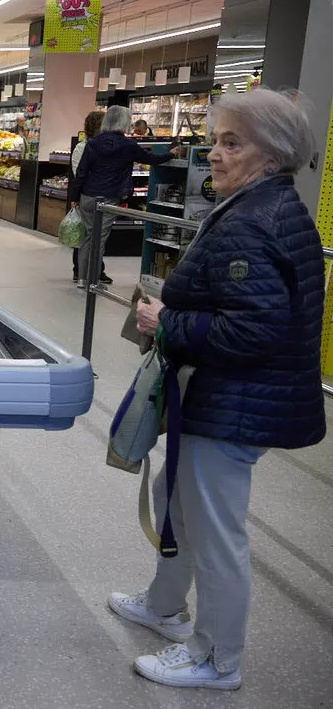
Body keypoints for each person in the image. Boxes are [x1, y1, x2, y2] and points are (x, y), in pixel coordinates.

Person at [113, 88, 326, 691]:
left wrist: (168, 322)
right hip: (228, 395)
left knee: (214, 529)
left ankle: (216, 659)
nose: (216, 154)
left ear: (271, 155)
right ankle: (163, 605)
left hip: (232, 401)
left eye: (232, 143)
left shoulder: (250, 225)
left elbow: (254, 328)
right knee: (175, 498)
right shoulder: (269, 207)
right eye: (216, 140)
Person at [68, 105, 180, 287]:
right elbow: (150, 158)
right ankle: (94, 280)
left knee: (87, 238)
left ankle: (81, 278)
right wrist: (170, 154)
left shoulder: (93, 143)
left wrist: (74, 196)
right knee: (100, 240)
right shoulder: (128, 145)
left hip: (88, 195)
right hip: (109, 198)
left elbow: (81, 172)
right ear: (124, 122)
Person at [70, 110, 105, 283]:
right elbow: (78, 172)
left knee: (94, 234)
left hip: (91, 193)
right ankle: (81, 270)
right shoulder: (82, 147)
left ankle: (95, 269)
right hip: (86, 195)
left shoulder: (98, 147)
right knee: (85, 234)